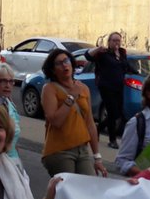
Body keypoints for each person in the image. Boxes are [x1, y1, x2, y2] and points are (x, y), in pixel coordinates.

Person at [39, 48, 106, 177]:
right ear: (53, 70)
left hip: (82, 149)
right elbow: (56, 121)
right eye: (59, 63)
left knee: (87, 189)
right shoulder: (49, 89)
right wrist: (71, 98)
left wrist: (97, 157)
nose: (65, 65)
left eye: (66, 60)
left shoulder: (83, 88)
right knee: (66, 192)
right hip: (60, 151)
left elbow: (90, 123)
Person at [86, 32, 127, 149]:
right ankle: (112, 140)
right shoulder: (103, 53)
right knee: (112, 111)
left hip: (119, 87)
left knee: (118, 113)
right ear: (109, 42)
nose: (116, 43)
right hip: (106, 86)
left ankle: (98, 128)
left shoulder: (122, 53)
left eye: (118, 40)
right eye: (114, 40)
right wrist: (98, 48)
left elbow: (125, 66)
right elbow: (87, 56)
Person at [0, 62, 22, 160]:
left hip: (13, 160)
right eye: (3, 81)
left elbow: (14, 142)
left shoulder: (10, 104)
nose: (8, 85)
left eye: (11, 81)